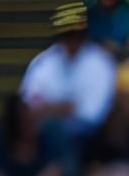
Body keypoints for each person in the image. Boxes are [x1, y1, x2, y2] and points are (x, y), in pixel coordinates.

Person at [20, 3, 117, 138]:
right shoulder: (43, 62)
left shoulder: (101, 62)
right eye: (67, 35)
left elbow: (94, 113)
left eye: (76, 34)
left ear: (84, 33)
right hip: (46, 131)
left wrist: (58, 109)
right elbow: (29, 102)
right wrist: (62, 108)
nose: (72, 40)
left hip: (88, 134)